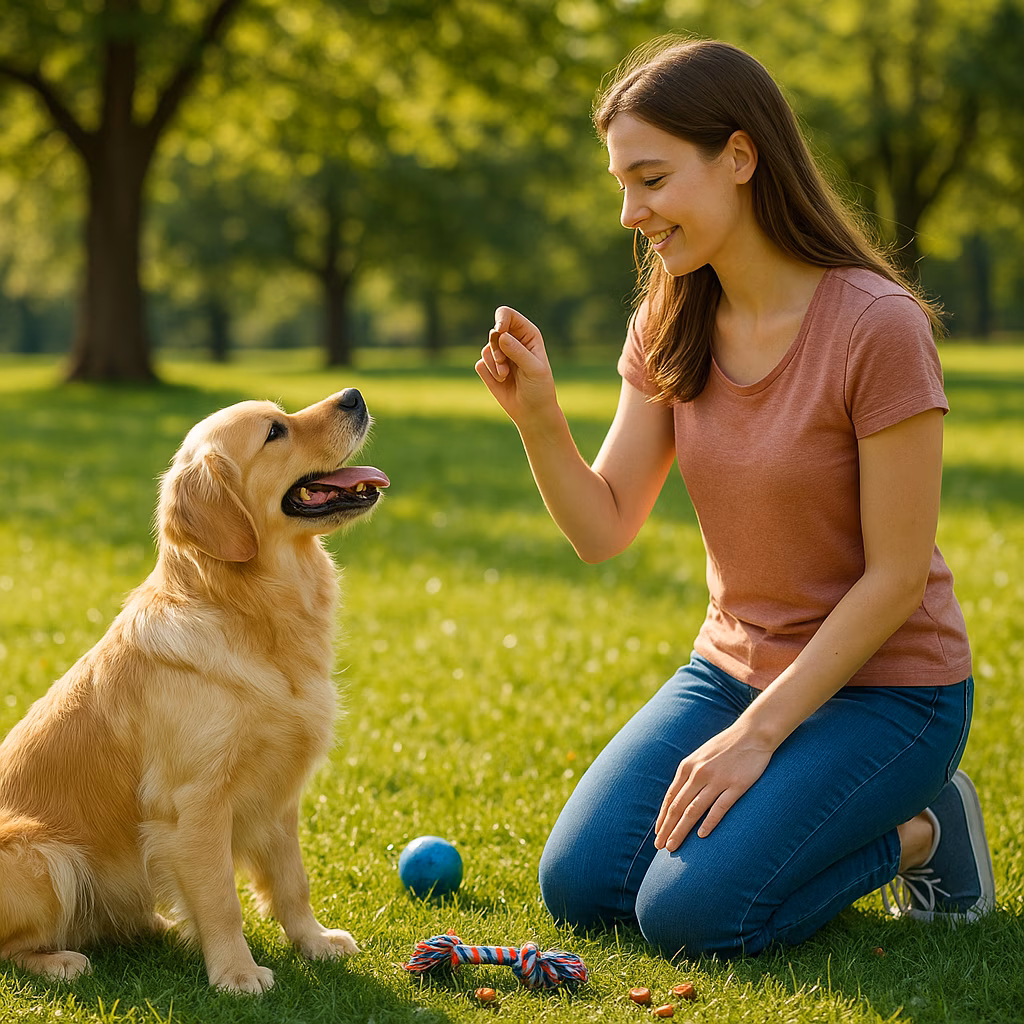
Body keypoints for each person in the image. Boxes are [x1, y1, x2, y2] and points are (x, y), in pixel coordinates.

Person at [475, 37, 995, 958]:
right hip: (731, 669)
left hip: (889, 692)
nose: (631, 214)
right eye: (622, 186)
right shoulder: (671, 316)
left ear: (741, 157)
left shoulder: (876, 326)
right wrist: (540, 419)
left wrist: (756, 736)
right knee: (582, 886)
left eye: (652, 180)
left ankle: (925, 830)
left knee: (692, 916)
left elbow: (896, 578)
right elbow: (604, 527)